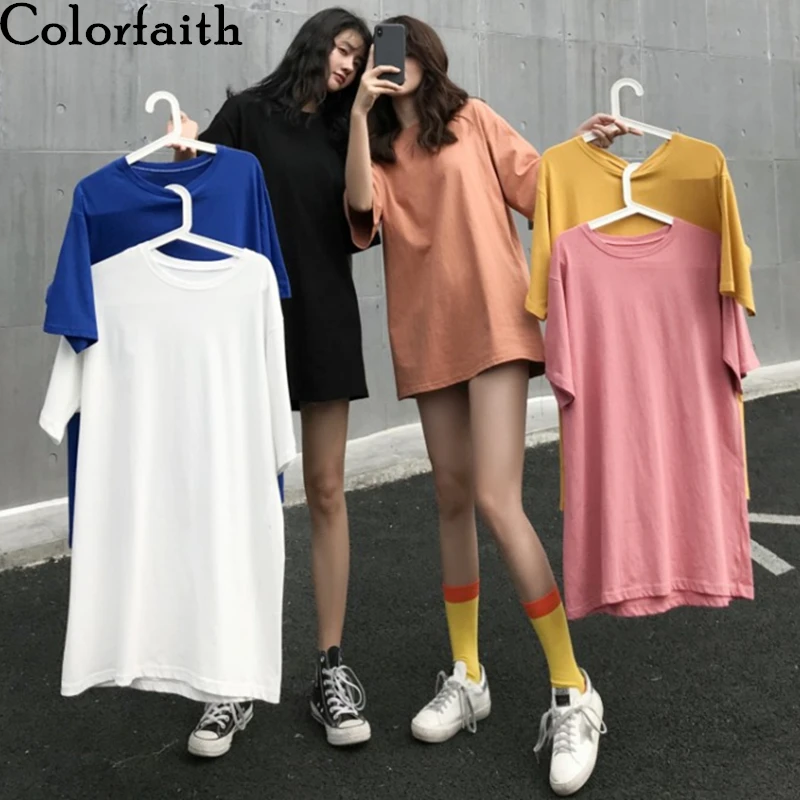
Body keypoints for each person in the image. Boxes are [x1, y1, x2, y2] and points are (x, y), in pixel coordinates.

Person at [344, 15, 636, 797]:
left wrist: (583, 150)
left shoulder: (471, 119)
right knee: (450, 498)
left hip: (496, 322)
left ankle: (573, 687)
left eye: (402, 48)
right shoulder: (377, 148)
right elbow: (361, 210)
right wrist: (357, 116)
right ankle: (468, 675)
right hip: (425, 333)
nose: (393, 62)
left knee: (497, 500)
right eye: (380, 53)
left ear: (426, 56)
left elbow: (539, 185)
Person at [172, 7, 378, 756]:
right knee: (245, 496)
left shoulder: (348, 129)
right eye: (342, 50)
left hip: (324, 313)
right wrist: (184, 143)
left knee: (325, 489)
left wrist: (362, 116)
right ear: (314, 44)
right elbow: (194, 182)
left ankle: (330, 670)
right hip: (249, 318)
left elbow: (363, 210)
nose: (348, 65)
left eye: (358, 57)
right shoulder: (249, 114)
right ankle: (231, 678)